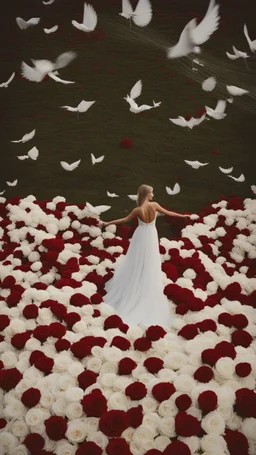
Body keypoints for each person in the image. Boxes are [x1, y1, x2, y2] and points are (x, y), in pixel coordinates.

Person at [100, 184, 190, 327]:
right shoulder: (154, 205)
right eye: (151, 193)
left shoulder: (138, 210)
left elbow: (123, 220)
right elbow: (169, 213)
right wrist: (183, 216)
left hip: (141, 236)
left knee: (137, 259)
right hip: (151, 235)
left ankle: (138, 279)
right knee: (150, 259)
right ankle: (147, 280)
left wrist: (107, 223)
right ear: (146, 194)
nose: (153, 195)